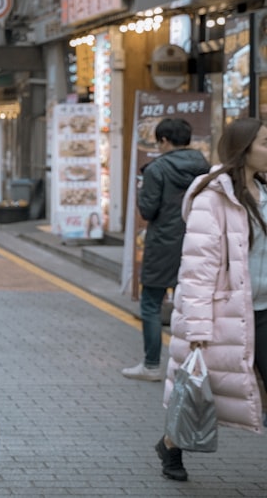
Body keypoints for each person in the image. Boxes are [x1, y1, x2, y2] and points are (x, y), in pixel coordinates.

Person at [156, 117, 266, 482]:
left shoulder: (264, 190)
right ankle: (172, 443)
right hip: (226, 313)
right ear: (243, 150)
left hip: (263, 310)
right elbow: (198, 269)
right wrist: (199, 326)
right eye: (265, 143)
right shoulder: (213, 196)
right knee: (206, 391)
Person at [123, 118, 209, 382]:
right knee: (194, 305)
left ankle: (151, 365)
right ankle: (195, 367)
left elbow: (148, 210)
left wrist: (141, 189)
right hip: (198, 241)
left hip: (162, 243)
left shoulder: (156, 169)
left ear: (163, 141)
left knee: (150, 303)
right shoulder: (205, 166)